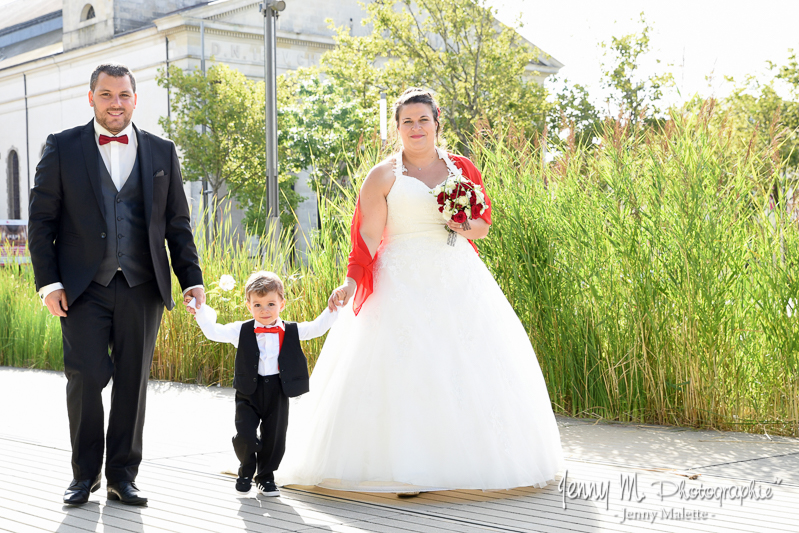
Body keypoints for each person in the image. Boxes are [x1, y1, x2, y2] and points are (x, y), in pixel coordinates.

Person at [275, 88, 564, 494]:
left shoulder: (462, 168)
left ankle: (466, 462)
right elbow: (369, 236)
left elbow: (482, 225)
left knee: (464, 365)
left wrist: (458, 224)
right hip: (399, 282)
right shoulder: (382, 175)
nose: (416, 128)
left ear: (436, 122)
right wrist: (351, 282)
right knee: (405, 366)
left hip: (458, 276)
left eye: (422, 120)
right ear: (397, 128)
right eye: (407, 121)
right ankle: (399, 465)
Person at [28, 63, 205, 506]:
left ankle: (122, 476)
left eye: (123, 95)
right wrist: (48, 283)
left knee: (133, 381)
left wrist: (192, 279)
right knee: (86, 376)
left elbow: (177, 223)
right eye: (106, 95)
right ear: (91, 98)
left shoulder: (162, 151)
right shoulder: (62, 147)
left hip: (143, 284)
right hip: (82, 286)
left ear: (135, 99)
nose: (115, 103)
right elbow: (41, 221)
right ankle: (84, 475)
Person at [188, 271, 339, 497]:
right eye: (257, 305)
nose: (264, 310)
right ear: (248, 306)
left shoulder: (292, 330)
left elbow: (317, 328)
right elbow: (214, 331)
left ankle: (266, 477)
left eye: (270, 303)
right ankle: (246, 471)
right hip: (248, 391)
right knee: (245, 435)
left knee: (275, 438)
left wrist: (334, 308)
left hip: (278, 390)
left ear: (282, 303)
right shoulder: (241, 329)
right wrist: (200, 311)